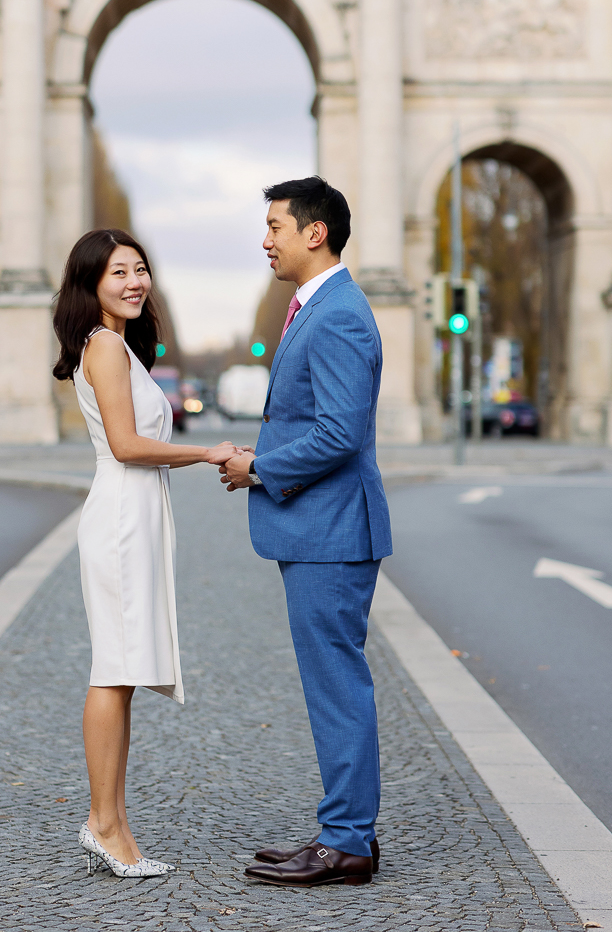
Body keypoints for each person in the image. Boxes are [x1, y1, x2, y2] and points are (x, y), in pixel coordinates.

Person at [217, 177, 392, 889]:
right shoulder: (316, 309)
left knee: (336, 686)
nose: (266, 239)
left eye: (275, 226)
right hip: (320, 529)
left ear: (313, 232)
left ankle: (346, 842)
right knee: (331, 683)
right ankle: (340, 830)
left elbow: (339, 433)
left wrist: (259, 466)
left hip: (331, 530)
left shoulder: (340, 314)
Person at [52, 228, 237, 879]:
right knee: (112, 669)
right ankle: (103, 824)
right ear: (91, 285)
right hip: (122, 515)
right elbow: (128, 446)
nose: (134, 282)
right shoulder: (103, 346)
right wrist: (209, 451)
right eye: (118, 273)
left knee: (121, 672)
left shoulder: (116, 346)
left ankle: (113, 821)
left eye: (140, 269)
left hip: (134, 513)